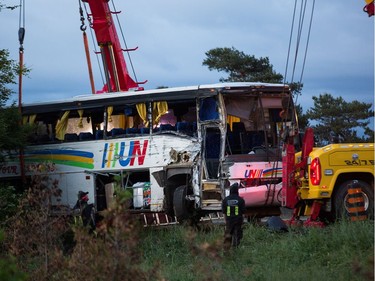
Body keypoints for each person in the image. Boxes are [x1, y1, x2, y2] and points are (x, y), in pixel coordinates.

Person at [222, 183, 246, 250]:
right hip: (238, 220)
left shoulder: (225, 200)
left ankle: (226, 250)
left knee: (228, 235)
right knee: (237, 235)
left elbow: (224, 212)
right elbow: (243, 213)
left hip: (229, 220)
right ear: (237, 191)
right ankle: (235, 249)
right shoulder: (241, 200)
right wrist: (242, 221)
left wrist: (225, 221)